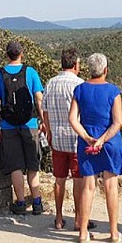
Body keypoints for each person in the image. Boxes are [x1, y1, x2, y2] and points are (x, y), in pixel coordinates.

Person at [69, 53, 122, 243]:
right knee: (111, 186)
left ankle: (83, 232)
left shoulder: (80, 90)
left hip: (87, 142)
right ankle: (113, 232)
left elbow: (72, 119)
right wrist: (102, 140)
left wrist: (86, 137)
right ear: (105, 70)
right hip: (110, 142)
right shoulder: (113, 91)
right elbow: (118, 122)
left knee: (88, 186)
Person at [42, 49, 95, 231]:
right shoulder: (79, 84)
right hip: (76, 139)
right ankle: (80, 219)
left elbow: (45, 111)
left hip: (56, 138)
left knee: (59, 179)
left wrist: (48, 131)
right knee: (78, 180)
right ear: (75, 65)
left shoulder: (50, 84)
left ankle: (58, 218)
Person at [0, 41, 46, 215]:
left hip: (8, 125)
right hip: (29, 124)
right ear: (21, 53)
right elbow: (39, 98)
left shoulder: (0, 75)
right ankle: (37, 202)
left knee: (15, 166)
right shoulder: (30, 72)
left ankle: (20, 202)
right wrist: (43, 120)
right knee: (32, 163)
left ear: (7, 55)